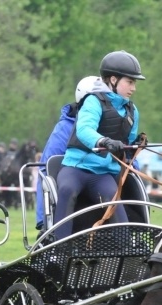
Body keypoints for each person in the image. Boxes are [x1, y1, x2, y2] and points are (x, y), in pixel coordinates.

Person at [52, 50, 145, 240]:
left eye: (134, 83)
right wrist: (103, 141)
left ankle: (126, 249)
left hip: (103, 174)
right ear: (113, 80)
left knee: (114, 203)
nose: (133, 88)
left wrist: (135, 146)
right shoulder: (93, 102)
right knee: (66, 190)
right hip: (76, 168)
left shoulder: (132, 111)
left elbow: (126, 144)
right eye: (130, 82)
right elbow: (84, 130)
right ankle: (57, 248)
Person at [35, 75, 101, 230]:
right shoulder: (64, 128)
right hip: (74, 196)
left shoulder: (114, 123)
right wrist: (42, 220)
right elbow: (46, 170)